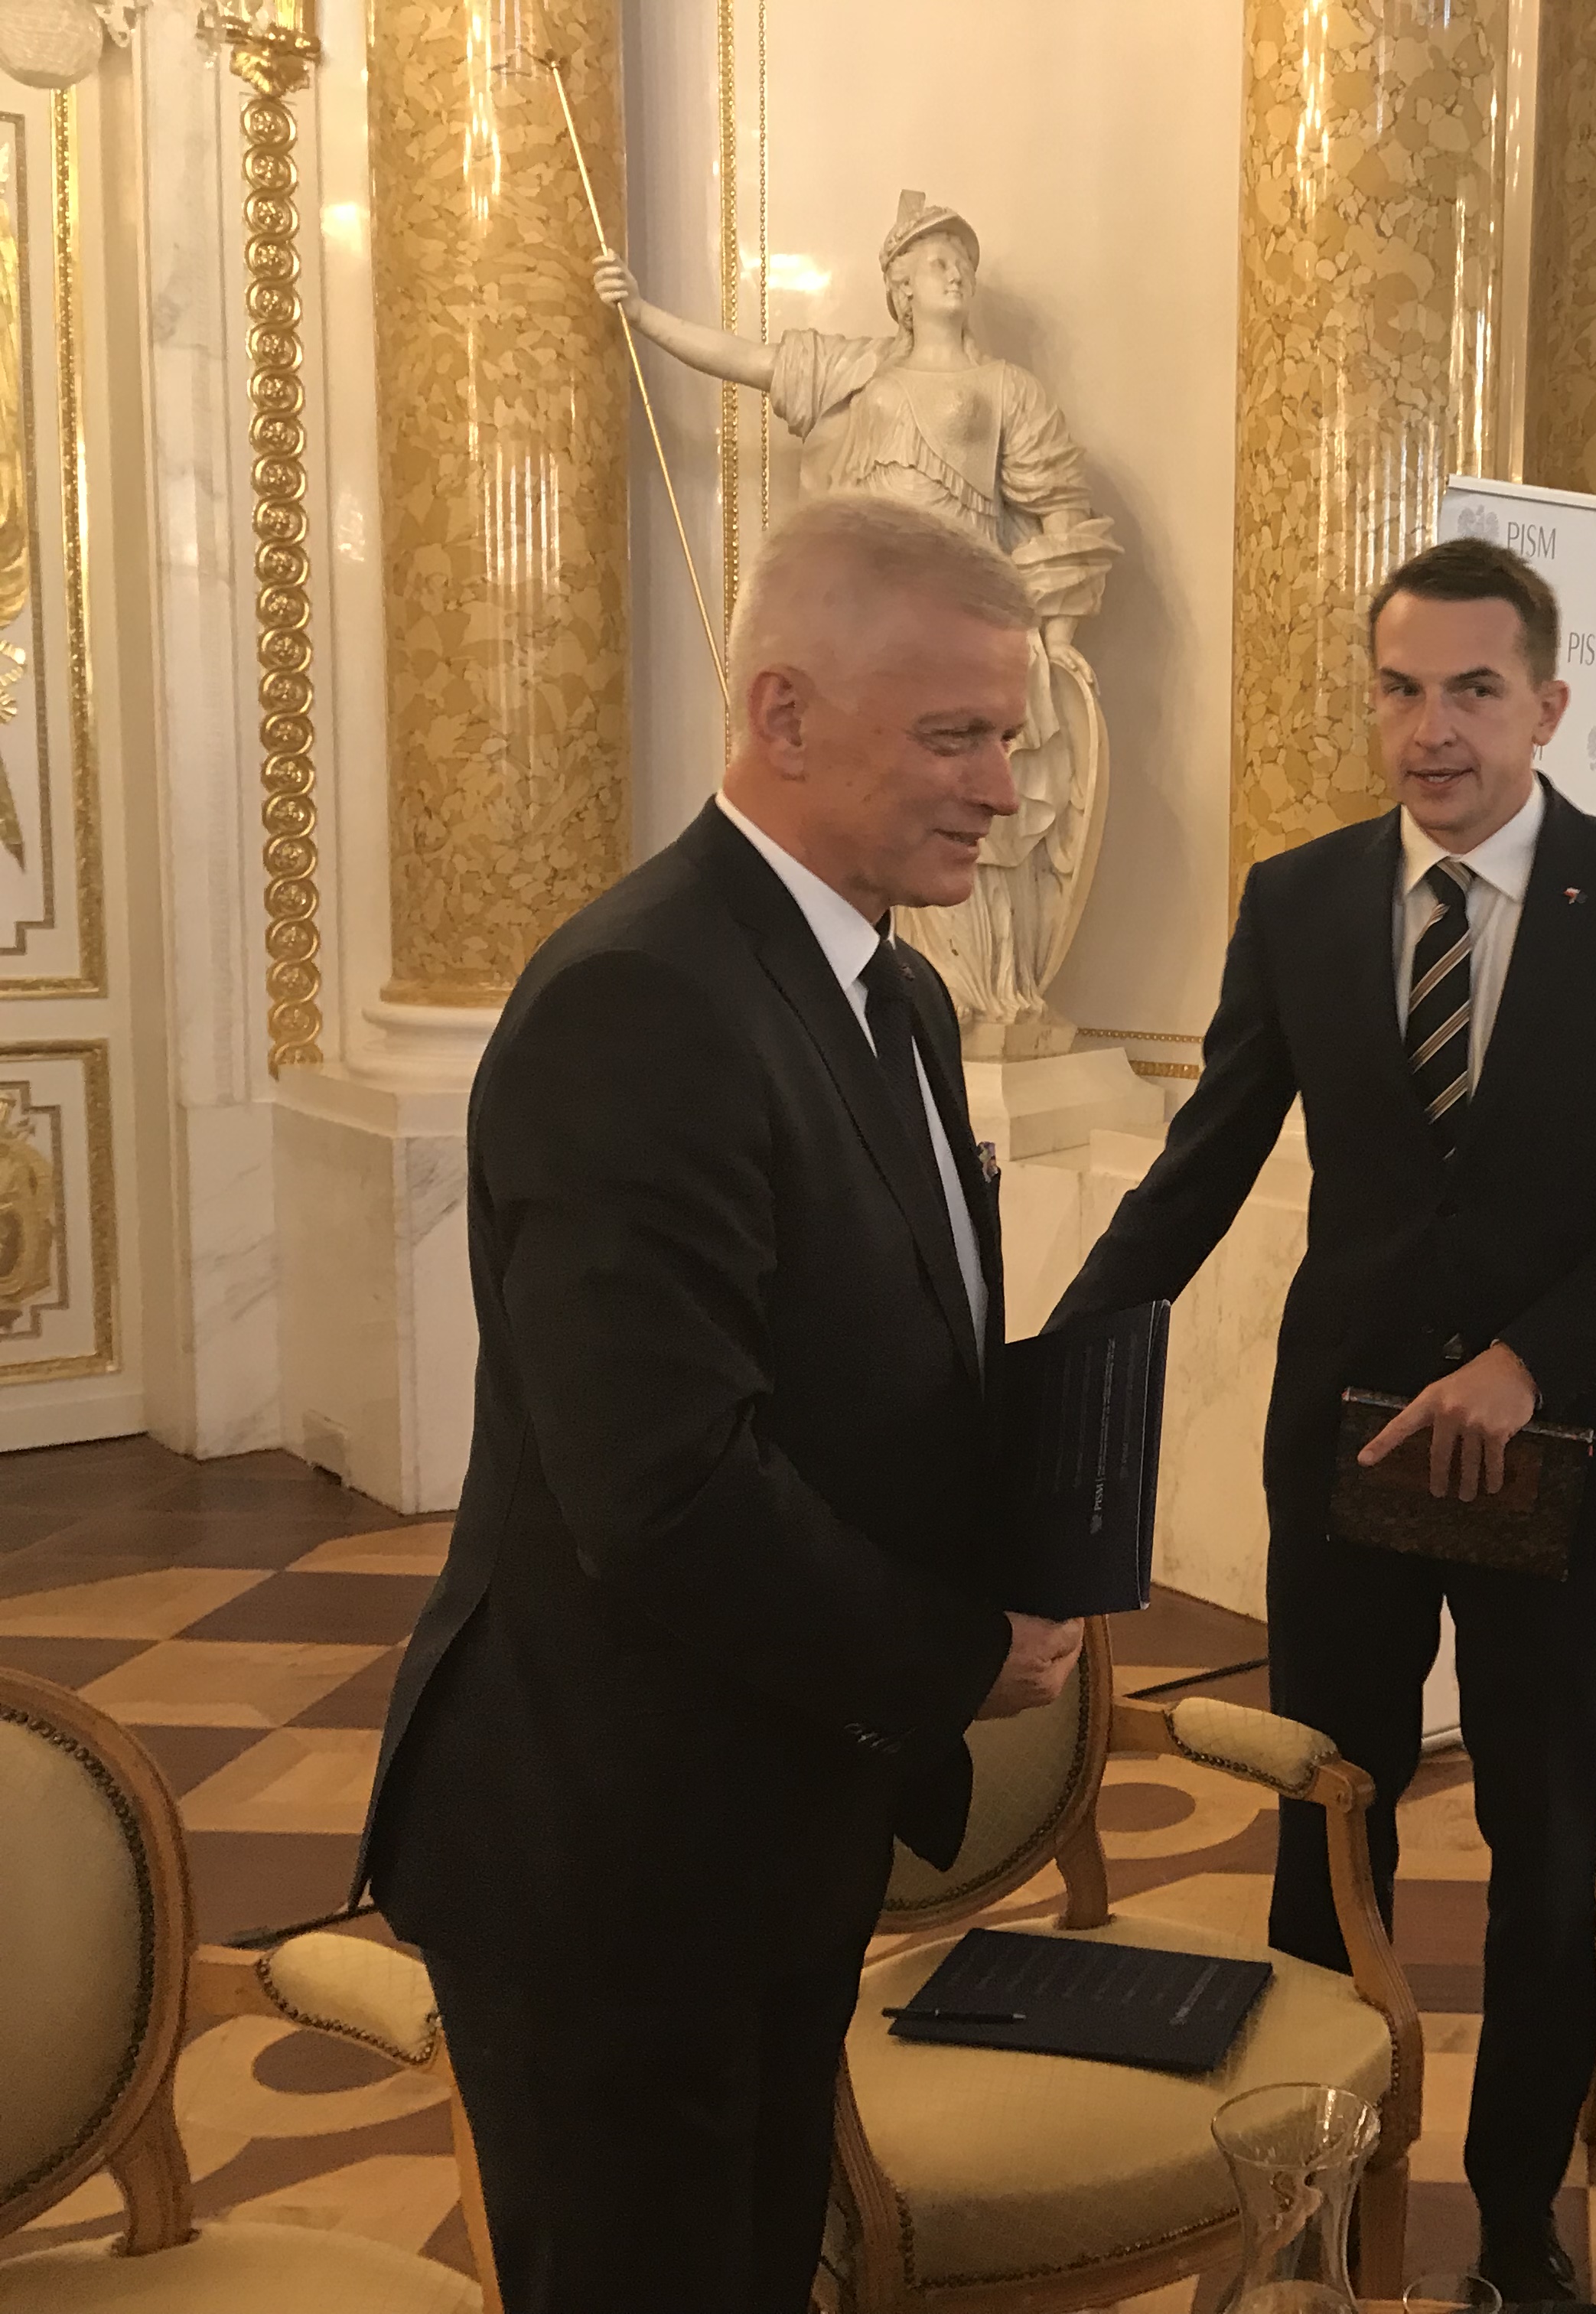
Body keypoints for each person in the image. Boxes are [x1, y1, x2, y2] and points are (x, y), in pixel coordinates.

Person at [357, 494, 1087, 2314]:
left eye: (1008, 739)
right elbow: (664, 1489)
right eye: (956, 736)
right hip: (615, 1847)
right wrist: (958, 1651)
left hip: (775, 1803)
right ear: (783, 716)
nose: (1004, 791)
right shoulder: (643, 998)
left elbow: (886, 1358)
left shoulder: (890, 992)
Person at [1047, 536, 1596, 2310]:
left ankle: (1515, 2225)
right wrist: (1055, 1367)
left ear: (1547, 705)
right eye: (1400, 689)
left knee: (1539, 1847)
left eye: (1472, 691)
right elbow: (1204, 1162)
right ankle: (1310, 2194)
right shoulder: (1300, 901)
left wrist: (1531, 1358)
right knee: (1327, 1822)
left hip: (1564, 1461)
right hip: (1350, 1453)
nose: (1431, 729)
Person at [597, 191, 1120, 1056]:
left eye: (963, 262)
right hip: (871, 644)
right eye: (935, 261)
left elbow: (1061, 507)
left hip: (961, 637)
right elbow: (751, 362)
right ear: (900, 288)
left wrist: (1054, 634)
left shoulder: (1005, 390)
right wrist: (645, 314)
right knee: (877, 795)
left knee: (964, 816)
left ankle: (980, 993)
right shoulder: (858, 372)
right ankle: (928, 976)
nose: (954, 274)